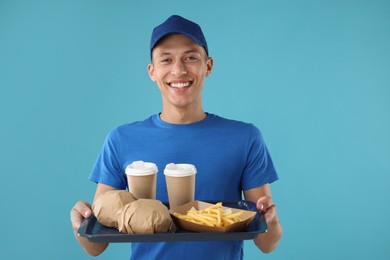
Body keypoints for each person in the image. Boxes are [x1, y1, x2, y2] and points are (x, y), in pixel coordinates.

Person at [70, 15, 282, 259]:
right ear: (152, 71)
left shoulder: (245, 138)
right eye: (166, 59)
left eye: (191, 58)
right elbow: (96, 245)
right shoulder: (120, 139)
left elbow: (268, 243)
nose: (179, 70)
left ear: (208, 66)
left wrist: (270, 221)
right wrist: (80, 226)